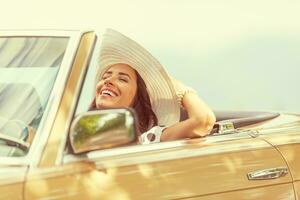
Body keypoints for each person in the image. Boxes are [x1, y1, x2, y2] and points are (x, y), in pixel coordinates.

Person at [89, 29, 216, 144]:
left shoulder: (146, 140)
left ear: (138, 98)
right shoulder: (74, 130)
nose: (108, 81)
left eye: (122, 79)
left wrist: (180, 89)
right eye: (105, 77)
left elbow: (203, 120)